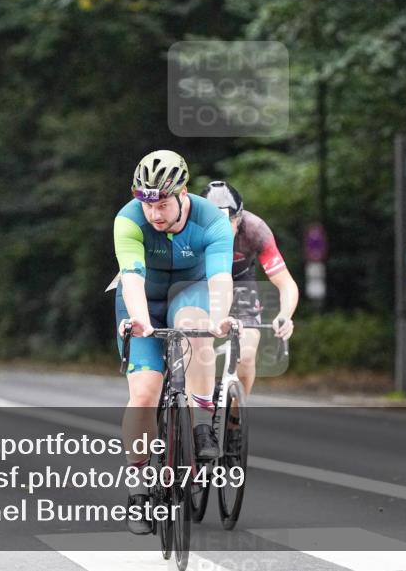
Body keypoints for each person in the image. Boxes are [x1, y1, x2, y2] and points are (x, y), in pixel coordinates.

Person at [114, 150, 236, 534]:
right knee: (145, 392)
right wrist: (139, 321)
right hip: (141, 299)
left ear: (183, 192)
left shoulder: (211, 220)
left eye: (162, 203)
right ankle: (137, 491)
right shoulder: (128, 219)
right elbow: (131, 275)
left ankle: (201, 422)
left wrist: (219, 320)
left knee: (195, 326)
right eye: (146, 203)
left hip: (189, 291)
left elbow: (219, 278)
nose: (154, 213)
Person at [202, 181, 298, 397]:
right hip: (201, 282)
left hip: (240, 282)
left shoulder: (255, 229)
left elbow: (286, 283)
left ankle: (236, 414)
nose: (221, 230)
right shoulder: (191, 227)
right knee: (198, 348)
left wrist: (285, 315)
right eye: (213, 224)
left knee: (246, 355)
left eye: (228, 222)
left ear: (240, 217)